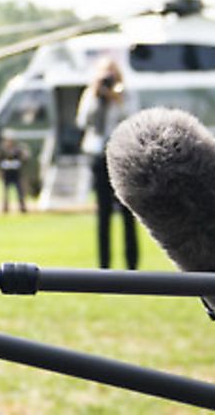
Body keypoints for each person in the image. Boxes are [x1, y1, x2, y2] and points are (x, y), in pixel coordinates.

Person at [76, 56, 139, 270]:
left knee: (127, 210)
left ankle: (132, 264)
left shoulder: (126, 93)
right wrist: (97, 98)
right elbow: (83, 122)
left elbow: (133, 118)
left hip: (122, 154)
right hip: (99, 156)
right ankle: (104, 265)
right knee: (103, 212)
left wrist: (116, 99)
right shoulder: (91, 95)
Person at [0, 133, 29, 214]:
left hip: (16, 175)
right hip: (6, 175)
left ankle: (22, 208)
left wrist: (25, 155)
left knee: (20, 192)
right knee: (5, 193)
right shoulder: (2, 151)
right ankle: (5, 208)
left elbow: (24, 161)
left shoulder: (18, 150)